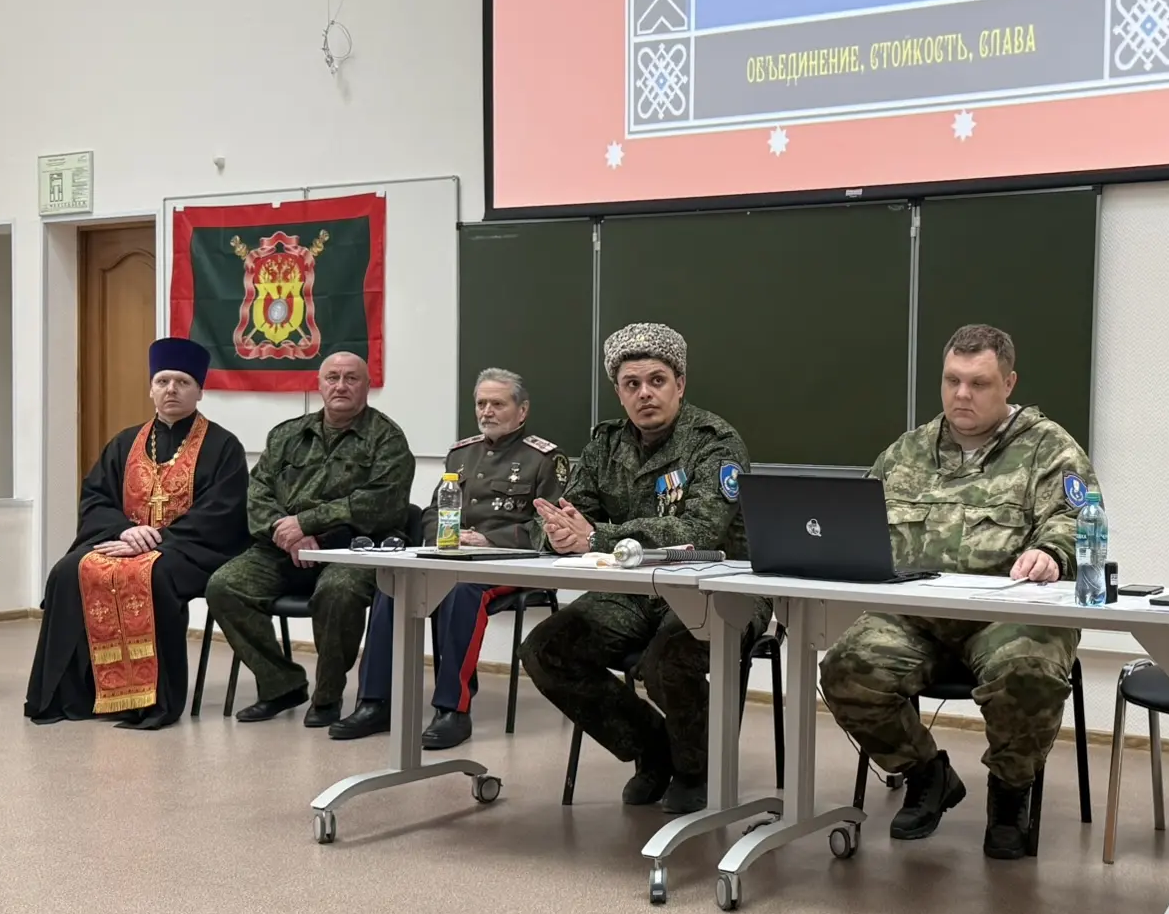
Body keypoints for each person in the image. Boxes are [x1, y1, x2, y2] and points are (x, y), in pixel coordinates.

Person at [819, 324, 1097, 860]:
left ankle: (1010, 793)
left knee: (1028, 671)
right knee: (846, 669)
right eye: (952, 381)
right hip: (915, 617)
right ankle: (926, 774)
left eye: (979, 383)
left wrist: (1051, 553)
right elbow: (856, 518)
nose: (962, 394)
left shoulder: (1048, 448)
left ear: (1009, 383)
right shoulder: (909, 451)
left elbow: (1076, 519)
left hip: (1007, 617)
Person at [519, 322, 769, 816]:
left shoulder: (715, 442)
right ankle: (653, 746)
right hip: (636, 592)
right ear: (619, 392)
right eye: (631, 384)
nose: (645, 394)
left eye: (657, 380)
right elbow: (566, 514)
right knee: (546, 650)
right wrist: (556, 534)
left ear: (680, 384)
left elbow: (700, 529)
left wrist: (597, 537)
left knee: (666, 663)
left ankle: (697, 770)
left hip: (721, 591)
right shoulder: (605, 444)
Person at [331, 367, 568, 749]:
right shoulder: (461, 454)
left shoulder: (543, 458)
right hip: (453, 554)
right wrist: (440, 539)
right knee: (393, 584)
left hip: (511, 562)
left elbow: (551, 525)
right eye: (481, 403)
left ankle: (452, 710)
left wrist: (489, 540)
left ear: (522, 411)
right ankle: (375, 703)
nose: (487, 411)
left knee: (461, 591)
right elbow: (432, 511)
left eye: (497, 404)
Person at [25, 338, 249, 730]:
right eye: (162, 381)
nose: (171, 390)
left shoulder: (223, 446)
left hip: (190, 549)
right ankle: (75, 695)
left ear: (200, 391)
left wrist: (156, 538)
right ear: (151, 389)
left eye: (182, 382)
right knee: (68, 571)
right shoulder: (125, 443)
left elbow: (223, 512)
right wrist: (127, 532)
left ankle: (149, 701)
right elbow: (96, 498)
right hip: (124, 539)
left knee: (153, 575)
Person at [205, 350, 416, 727]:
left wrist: (308, 522)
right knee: (225, 586)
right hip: (284, 548)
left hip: (353, 549)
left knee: (338, 592)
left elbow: (384, 503)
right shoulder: (287, 434)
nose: (341, 385)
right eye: (332, 378)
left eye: (351, 378)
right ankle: (281, 685)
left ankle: (328, 696)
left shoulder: (387, 439)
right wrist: (287, 532)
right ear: (319, 385)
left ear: (367, 386)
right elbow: (258, 493)